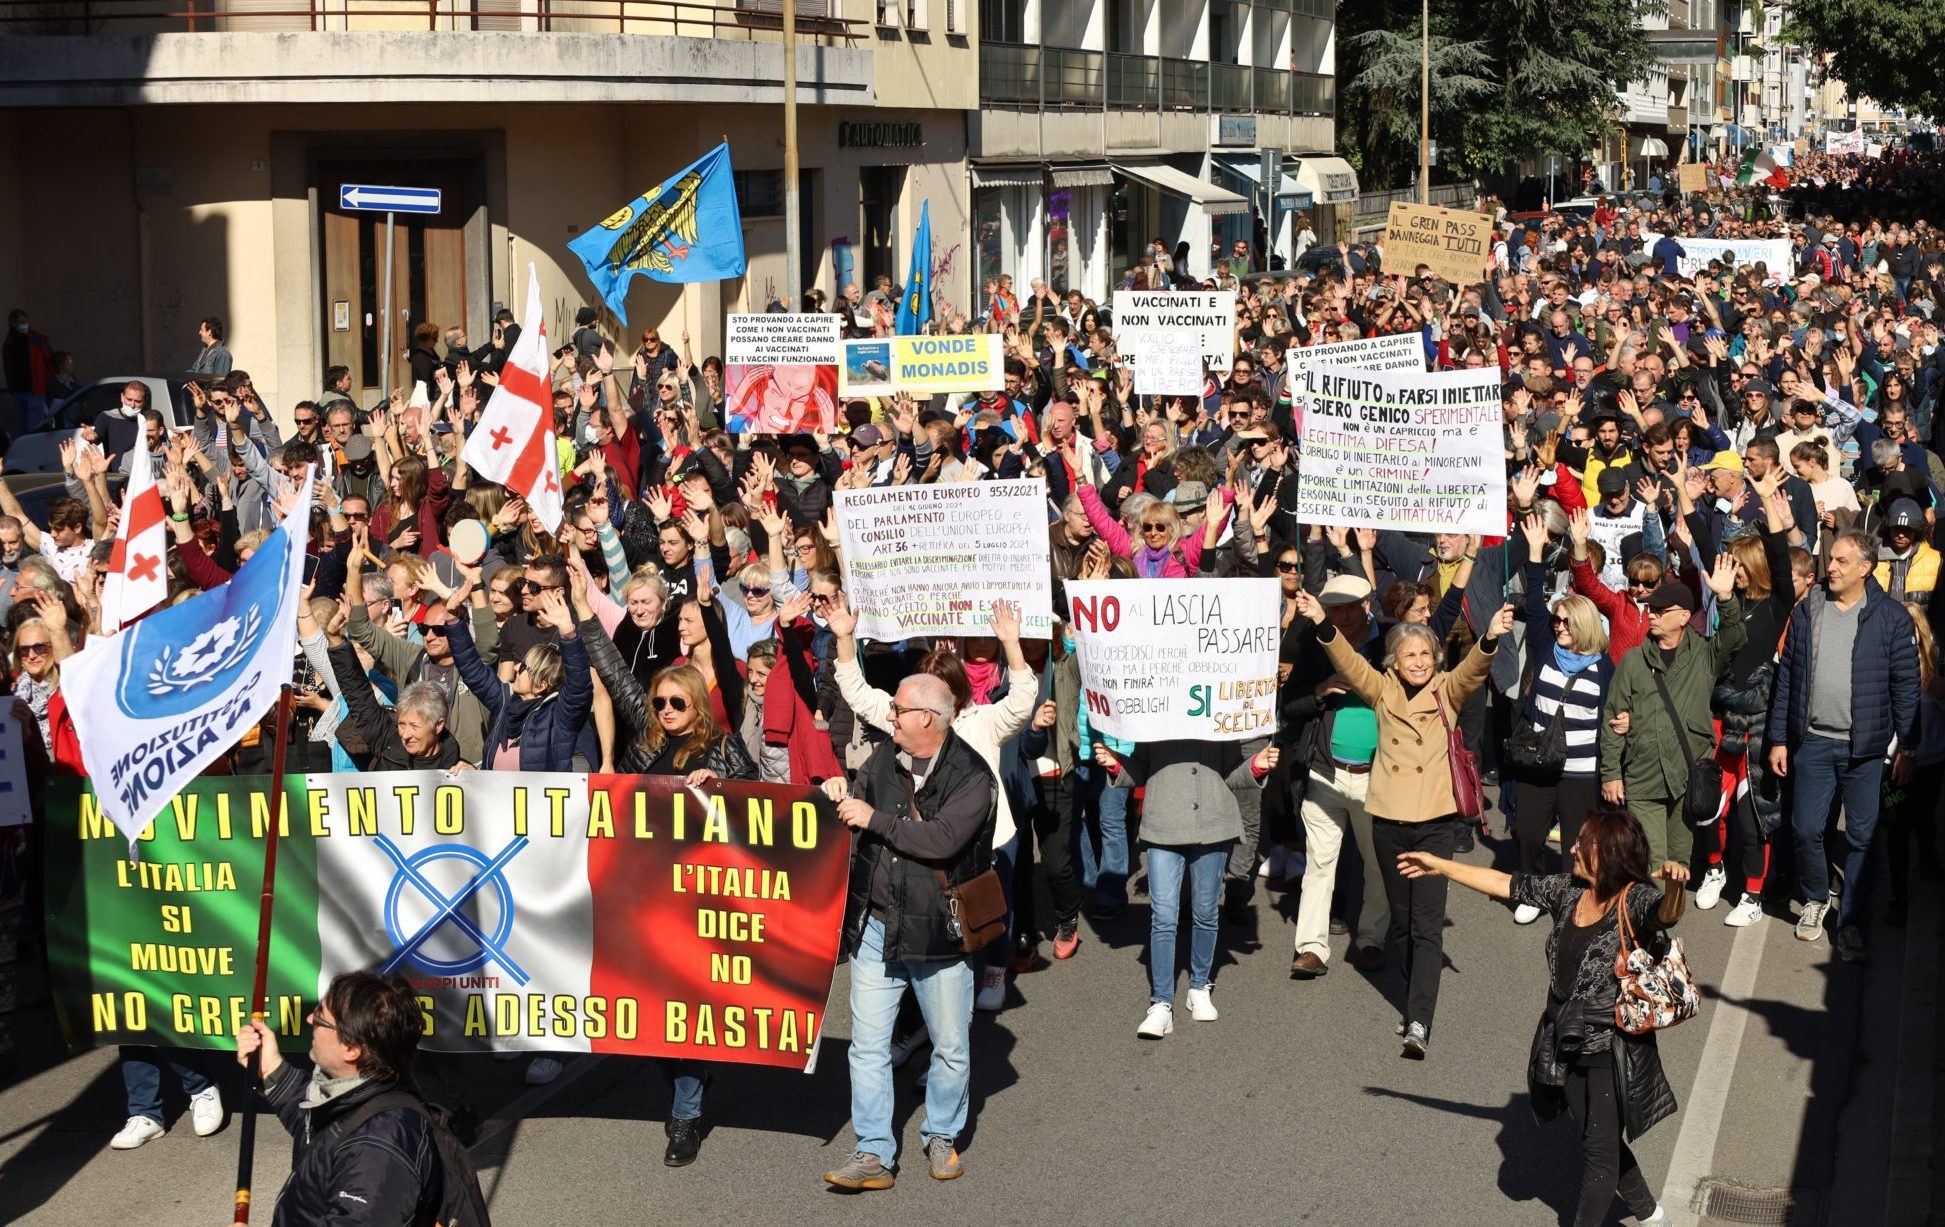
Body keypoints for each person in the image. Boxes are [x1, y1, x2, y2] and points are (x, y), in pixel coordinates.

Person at [1397, 807, 1681, 1227]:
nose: (1571, 848)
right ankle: (1651, 1214)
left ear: (1607, 854)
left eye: (1582, 843)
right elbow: (1504, 883)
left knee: (1599, 1159)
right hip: (1564, 1037)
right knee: (1596, 1139)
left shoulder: (1633, 898)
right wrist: (1440, 865)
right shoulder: (1568, 890)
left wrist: (1675, 887)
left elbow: (1667, 914)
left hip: (1610, 1044)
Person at [1293, 586, 1514, 1057]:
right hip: (1389, 822)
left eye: (1425, 654)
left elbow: (1473, 670)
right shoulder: (1381, 688)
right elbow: (1349, 662)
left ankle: (1418, 1020)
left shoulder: (1447, 691)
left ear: (1436, 658)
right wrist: (1319, 620)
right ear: (1393, 661)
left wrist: (1491, 637)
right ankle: (1414, 999)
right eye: (1408, 654)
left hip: (1434, 823)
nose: (1418, 661)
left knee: (1427, 926)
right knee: (1402, 923)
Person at [821, 671, 997, 1191]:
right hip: (878, 927)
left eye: (898, 709)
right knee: (868, 1047)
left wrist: (874, 818)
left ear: (928, 718)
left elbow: (941, 840)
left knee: (949, 1046)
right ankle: (873, 1151)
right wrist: (840, 788)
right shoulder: (882, 759)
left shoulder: (972, 776)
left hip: (938, 937)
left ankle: (941, 1133)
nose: (890, 716)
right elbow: (856, 799)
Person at [1767, 529, 1921, 960]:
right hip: (1813, 743)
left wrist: (1908, 747)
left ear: (1865, 568)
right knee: (1805, 829)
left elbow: (1907, 687)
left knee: (1861, 838)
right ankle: (1816, 899)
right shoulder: (1808, 608)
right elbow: (1787, 679)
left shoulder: (1890, 617)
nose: (1829, 567)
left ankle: (1850, 919)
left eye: (1839, 561)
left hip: (1865, 751)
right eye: (1829, 559)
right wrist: (1779, 738)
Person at [1096, 730, 1277, 1036]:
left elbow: (1233, 772)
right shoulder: (1156, 717)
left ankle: (1199, 986)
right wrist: (1116, 764)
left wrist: (1255, 766)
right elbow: (1140, 767)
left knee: (1206, 912)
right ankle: (1162, 1002)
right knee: (1164, 915)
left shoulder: (1219, 716)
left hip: (1214, 824)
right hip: (1162, 825)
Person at [233, 971, 444, 1226]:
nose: (310, 1018)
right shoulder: (365, 1090)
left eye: (321, 1018)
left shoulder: (378, 1150)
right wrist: (272, 1069)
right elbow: (321, 1133)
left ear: (351, 1049)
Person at [1598, 558, 1743, 888]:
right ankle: (1657, 935)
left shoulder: (1705, 655)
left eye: (1661, 611)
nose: (1652, 614)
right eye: (1651, 609)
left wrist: (1725, 598)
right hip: (1643, 774)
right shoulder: (1634, 659)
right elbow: (1613, 716)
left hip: (1686, 777)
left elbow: (1735, 636)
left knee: (1678, 862)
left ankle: (1667, 927)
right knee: (1652, 861)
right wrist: (1611, 773)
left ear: (1683, 617)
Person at [1509, 514, 1614, 923]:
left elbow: (1612, 719)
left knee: (1577, 842)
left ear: (1584, 624)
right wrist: (1534, 553)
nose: (1558, 626)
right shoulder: (1547, 647)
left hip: (1580, 772)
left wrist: (1619, 727)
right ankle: (1532, 892)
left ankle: (1575, 897)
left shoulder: (1604, 669)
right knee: (1530, 833)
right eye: (1556, 621)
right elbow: (1533, 602)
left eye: (1566, 621)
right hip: (1538, 763)